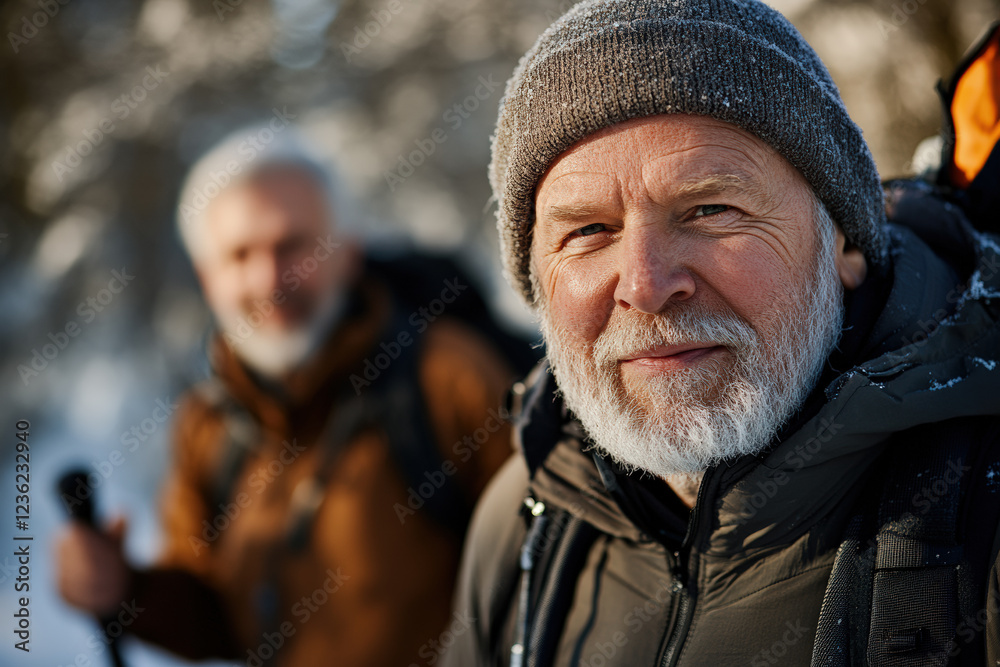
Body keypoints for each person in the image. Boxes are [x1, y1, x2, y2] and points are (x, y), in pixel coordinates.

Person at [443, 1, 1000, 665]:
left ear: (847, 241)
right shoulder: (527, 524)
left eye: (711, 209)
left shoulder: (980, 514)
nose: (646, 284)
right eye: (588, 231)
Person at [56, 125, 522, 667]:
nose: (268, 278)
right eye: (239, 255)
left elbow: (543, 565)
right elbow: (217, 623)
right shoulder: (207, 423)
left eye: (292, 245)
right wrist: (126, 591)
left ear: (346, 253)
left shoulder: (448, 376)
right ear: (208, 278)